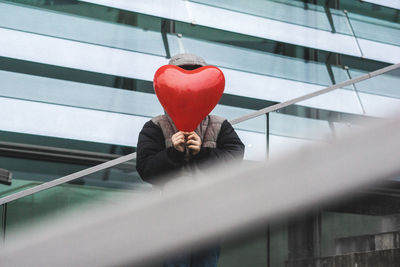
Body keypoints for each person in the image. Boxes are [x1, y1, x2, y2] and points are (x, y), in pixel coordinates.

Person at [136, 53, 245, 267]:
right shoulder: (155, 126)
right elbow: (146, 169)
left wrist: (203, 153)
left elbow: (234, 160)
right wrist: (172, 153)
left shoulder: (220, 125)